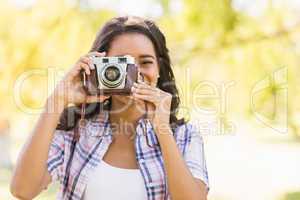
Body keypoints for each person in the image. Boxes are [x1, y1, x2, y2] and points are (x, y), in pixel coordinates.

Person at [10, 16, 209, 200]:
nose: (134, 72)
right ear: (99, 68)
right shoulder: (75, 131)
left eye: (146, 62)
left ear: (159, 69)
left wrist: (163, 130)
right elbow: (22, 190)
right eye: (122, 63)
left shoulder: (185, 136)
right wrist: (56, 101)